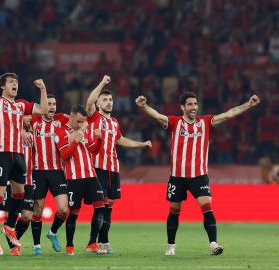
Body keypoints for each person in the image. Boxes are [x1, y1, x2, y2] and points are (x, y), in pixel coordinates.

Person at [135, 92, 260, 256]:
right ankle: (171, 246)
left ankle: (214, 244)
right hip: (178, 177)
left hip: (199, 176)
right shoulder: (175, 122)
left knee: (207, 207)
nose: (194, 107)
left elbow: (229, 114)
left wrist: (249, 104)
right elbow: (158, 116)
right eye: (190, 104)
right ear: (182, 107)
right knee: (174, 210)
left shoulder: (205, 122)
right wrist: (144, 106)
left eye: (195, 104)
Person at [0, 62, 48, 255]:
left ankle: (9, 226)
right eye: (11, 82)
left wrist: (43, 89)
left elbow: (44, 109)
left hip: (18, 154)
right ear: (3, 86)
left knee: (19, 193)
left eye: (16, 82)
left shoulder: (21, 105)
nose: (15, 84)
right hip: (1, 153)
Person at [85, 75, 152, 253]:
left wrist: (141, 144)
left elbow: (121, 140)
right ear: (99, 104)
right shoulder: (93, 116)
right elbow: (89, 101)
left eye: (110, 100)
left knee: (108, 209)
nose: (109, 102)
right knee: (100, 207)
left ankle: (104, 242)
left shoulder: (114, 122)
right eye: (105, 100)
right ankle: (92, 244)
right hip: (97, 168)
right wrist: (102, 83)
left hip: (113, 169)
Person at [54, 105, 104, 255]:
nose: (81, 125)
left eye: (83, 122)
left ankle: (92, 243)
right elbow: (65, 155)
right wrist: (76, 139)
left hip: (91, 175)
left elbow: (93, 149)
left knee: (100, 207)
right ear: (71, 116)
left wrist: (99, 140)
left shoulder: (84, 130)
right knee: (74, 212)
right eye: (78, 121)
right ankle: (70, 245)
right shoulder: (61, 133)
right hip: (74, 178)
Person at [29, 94, 70, 255]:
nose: (52, 107)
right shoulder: (33, 121)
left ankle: (52, 232)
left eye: (54, 104)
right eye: (49, 104)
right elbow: (20, 123)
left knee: (63, 210)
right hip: (38, 172)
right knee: (38, 210)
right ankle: (36, 246)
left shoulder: (62, 120)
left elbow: (80, 120)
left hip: (57, 171)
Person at [5, 115, 35, 256]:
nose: (29, 119)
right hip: (13, 180)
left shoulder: (35, 133)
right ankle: (13, 247)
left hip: (29, 181)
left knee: (27, 217)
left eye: (31, 117)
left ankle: (13, 238)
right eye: (26, 117)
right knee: (9, 214)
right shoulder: (11, 132)